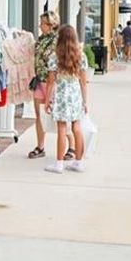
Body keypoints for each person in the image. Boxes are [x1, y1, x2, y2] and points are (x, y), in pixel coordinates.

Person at [43, 24, 89, 174]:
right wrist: (85, 101)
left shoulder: (54, 57)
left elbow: (50, 82)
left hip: (61, 96)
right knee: (77, 127)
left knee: (62, 129)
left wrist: (47, 100)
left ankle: (59, 164)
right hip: (75, 95)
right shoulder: (81, 56)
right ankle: (79, 162)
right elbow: (83, 82)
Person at [30, 11, 73, 160]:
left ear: (51, 24)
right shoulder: (40, 39)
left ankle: (72, 146)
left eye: (42, 23)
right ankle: (40, 146)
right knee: (39, 115)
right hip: (39, 81)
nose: (40, 25)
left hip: (53, 82)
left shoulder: (58, 40)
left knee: (60, 116)